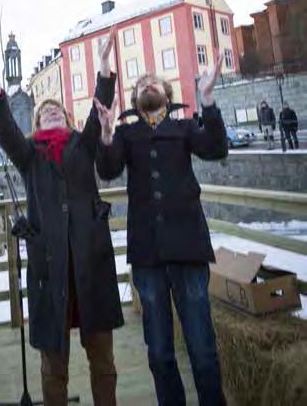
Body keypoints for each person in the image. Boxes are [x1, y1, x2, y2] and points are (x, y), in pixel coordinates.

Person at [0, 30, 124, 406]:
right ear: (38, 124)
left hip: (89, 258)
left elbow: (99, 112)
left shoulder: (83, 144)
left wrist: (104, 67)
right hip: (49, 265)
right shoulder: (29, 155)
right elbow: (6, 128)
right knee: (53, 365)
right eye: (44, 112)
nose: (51, 111)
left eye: (56, 109)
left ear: (67, 118)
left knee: (102, 358)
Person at [94, 54, 228, 406]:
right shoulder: (125, 133)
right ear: (136, 100)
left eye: (152, 83)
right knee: (160, 355)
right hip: (148, 254)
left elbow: (215, 149)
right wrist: (106, 135)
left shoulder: (184, 127)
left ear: (167, 95)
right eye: (140, 86)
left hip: (189, 248)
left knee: (202, 349)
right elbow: (107, 171)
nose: (146, 86)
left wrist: (208, 99)